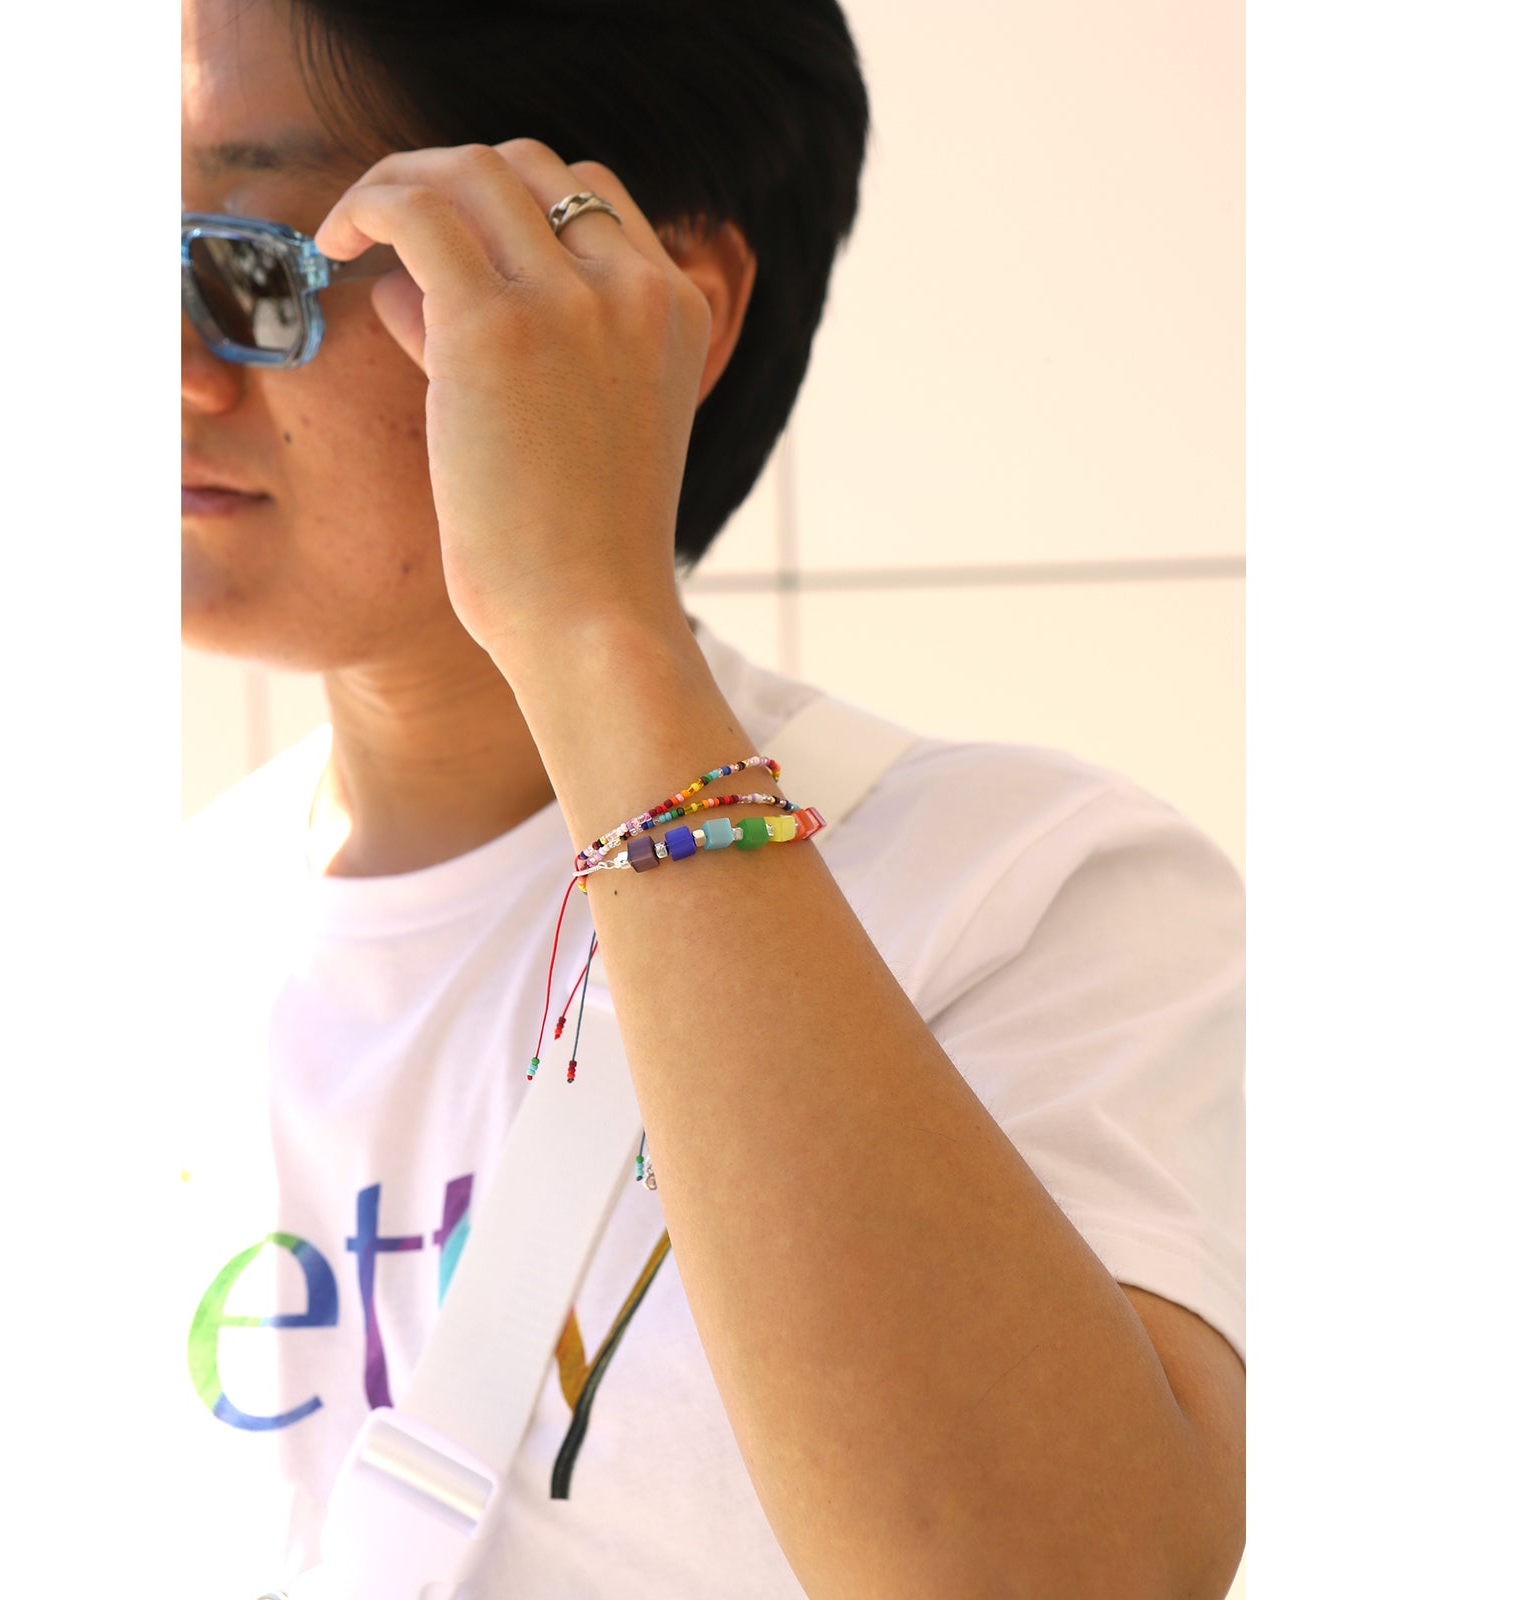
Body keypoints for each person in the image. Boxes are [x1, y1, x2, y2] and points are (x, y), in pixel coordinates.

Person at [177, 0, 1247, 1595]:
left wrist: (587, 627)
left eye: (250, 264)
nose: (174, 373)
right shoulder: (131, 955)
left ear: (653, 303)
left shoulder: (1024, 894)